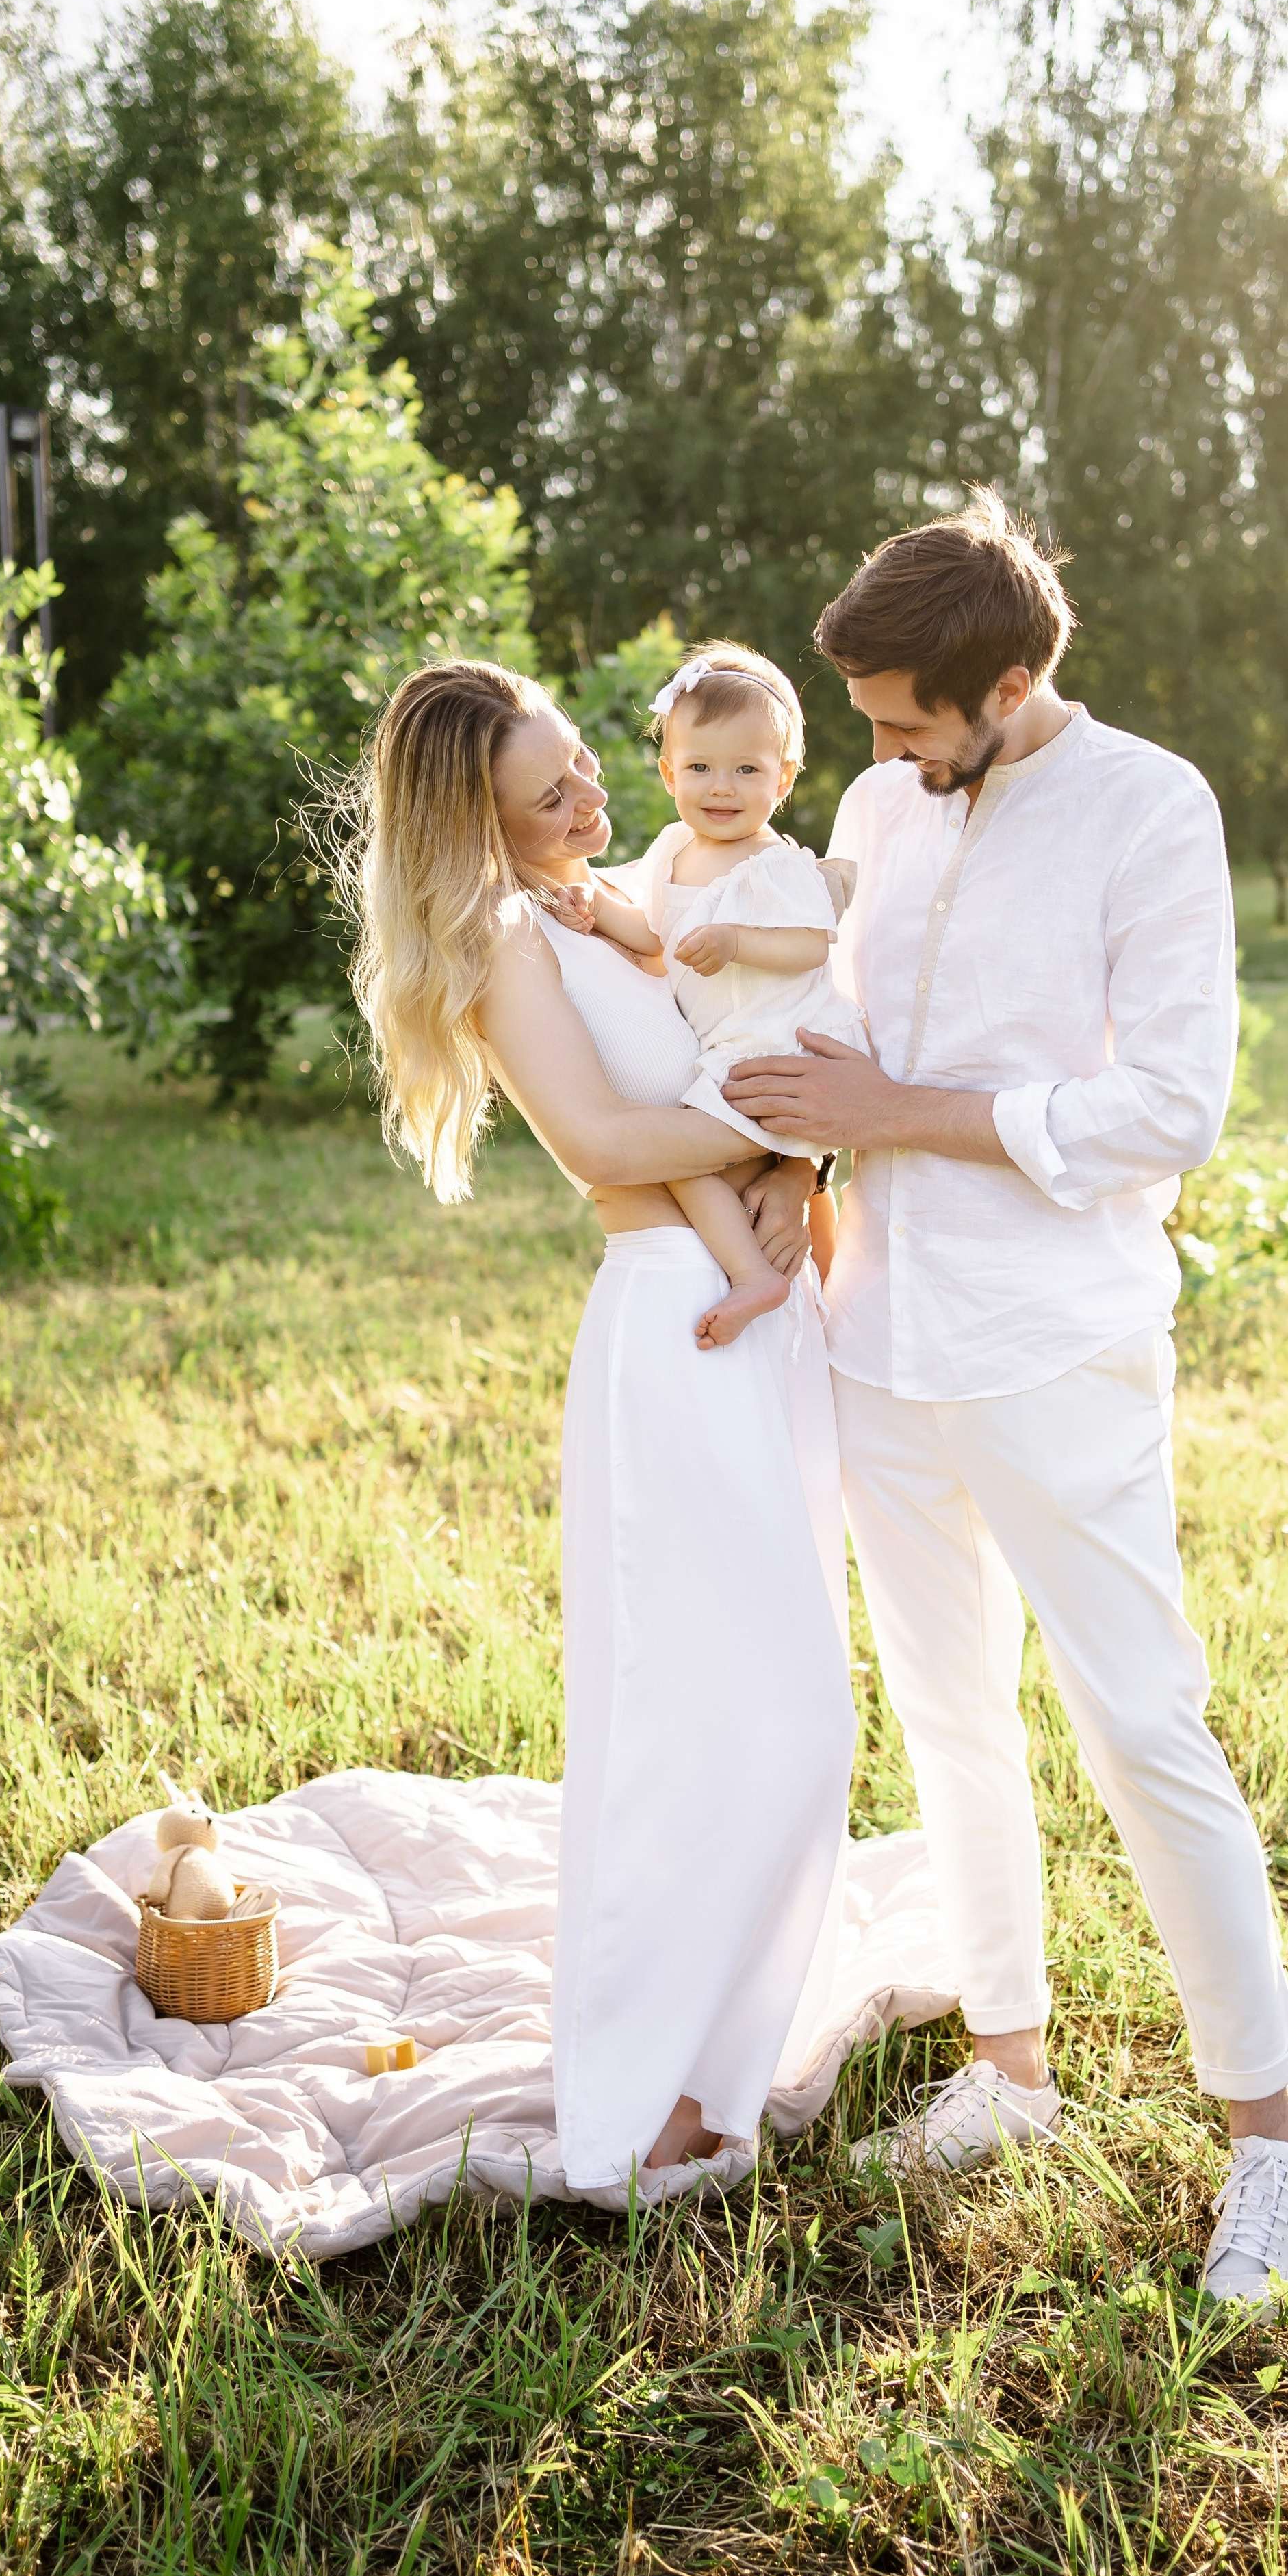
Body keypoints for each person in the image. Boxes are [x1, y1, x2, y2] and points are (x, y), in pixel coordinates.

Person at [722, 491, 1288, 2302]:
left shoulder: (1152, 806)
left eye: (909, 719)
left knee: (1143, 1726)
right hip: (876, 1333)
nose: (884, 754)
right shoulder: (881, 808)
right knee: (947, 1716)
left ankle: (1271, 2143)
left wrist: (902, 1115)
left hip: (1055, 1341)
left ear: (1006, 681)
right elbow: (851, 1039)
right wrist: (787, 1143)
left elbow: (1170, 1112)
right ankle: (1012, 2067)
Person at [342, 658, 854, 2207]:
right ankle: (647, 2087)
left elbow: (754, 1005)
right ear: (475, 822)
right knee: (708, 1713)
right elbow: (609, 1144)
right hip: (673, 1329)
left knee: (788, 1706)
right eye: (547, 791)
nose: (591, 799)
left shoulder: (606, 895)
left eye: (581, 762)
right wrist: (818, 1114)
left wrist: (810, 1157)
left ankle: (714, 2050)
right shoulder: (502, 936)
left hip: (764, 1323)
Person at [559, 642, 866, 1345]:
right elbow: (652, 933)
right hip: (724, 1051)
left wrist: (736, 942)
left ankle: (755, 1277)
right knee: (681, 1156)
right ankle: (765, 1281)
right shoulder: (671, 851)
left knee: (673, 1153)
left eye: (746, 770)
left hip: (773, 1048)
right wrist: (596, 913)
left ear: (783, 778)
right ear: (669, 771)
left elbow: (808, 945)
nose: (721, 787)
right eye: (700, 767)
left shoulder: (776, 863)